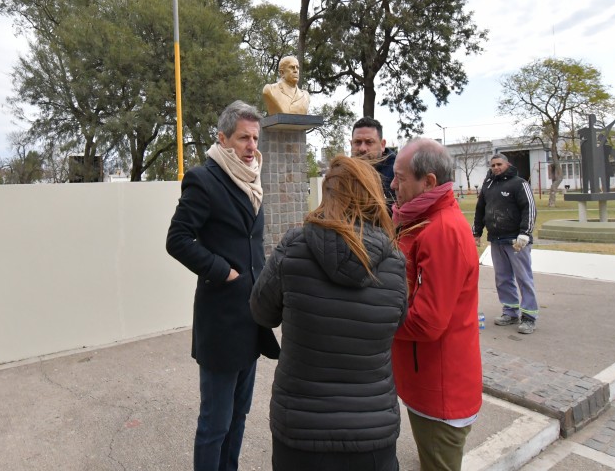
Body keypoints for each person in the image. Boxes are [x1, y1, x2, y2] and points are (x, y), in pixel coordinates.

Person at [250, 155, 407, 471]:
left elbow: (261, 311)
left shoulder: (294, 246)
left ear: (328, 194)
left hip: (301, 430)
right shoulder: (394, 261)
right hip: (372, 434)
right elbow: (396, 322)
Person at [166, 100, 280, 471]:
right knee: (215, 422)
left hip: (252, 318)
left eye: (255, 138)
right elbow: (178, 239)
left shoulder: (253, 179)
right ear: (222, 138)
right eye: (243, 138)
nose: (252, 146)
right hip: (221, 320)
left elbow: (252, 242)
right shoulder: (204, 179)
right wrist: (222, 270)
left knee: (240, 415)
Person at [389, 138, 482, 471]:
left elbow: (427, 322)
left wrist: (375, 321)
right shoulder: (423, 219)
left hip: (440, 387)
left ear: (428, 182)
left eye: (400, 177)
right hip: (425, 378)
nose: (392, 184)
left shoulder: (440, 231)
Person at [473, 153, 538, 335]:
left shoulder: (519, 184)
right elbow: (480, 210)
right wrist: (476, 232)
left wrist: (525, 233)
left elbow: (529, 208)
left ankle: (529, 317)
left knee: (523, 278)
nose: (496, 168)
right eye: (493, 165)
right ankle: (510, 312)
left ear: (507, 164)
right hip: (496, 240)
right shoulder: (488, 185)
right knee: (502, 278)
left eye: (499, 164)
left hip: (517, 241)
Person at [351, 117, 396, 211]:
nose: (362, 148)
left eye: (369, 142)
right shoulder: (344, 172)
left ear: (382, 145)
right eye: (357, 142)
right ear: (351, 144)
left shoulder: (398, 172)